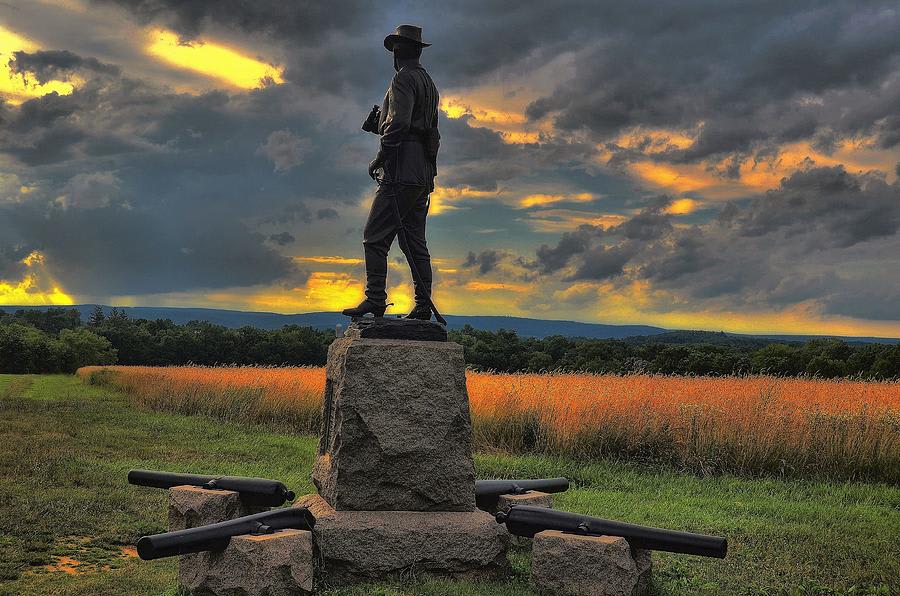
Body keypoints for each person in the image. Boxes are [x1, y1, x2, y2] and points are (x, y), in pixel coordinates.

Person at [342, 25, 440, 320]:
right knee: (414, 243)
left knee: (374, 237)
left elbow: (397, 127)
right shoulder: (428, 82)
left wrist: (379, 158)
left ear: (397, 53)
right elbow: (427, 129)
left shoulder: (402, 79)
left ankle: (375, 298)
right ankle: (423, 306)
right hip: (421, 170)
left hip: (401, 170)